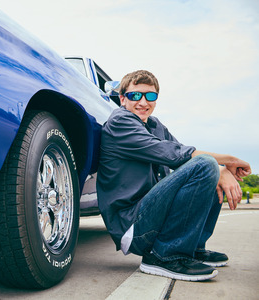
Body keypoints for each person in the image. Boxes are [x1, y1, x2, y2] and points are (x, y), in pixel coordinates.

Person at [97, 70, 251, 281]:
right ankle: (166, 255)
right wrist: (228, 161)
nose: (143, 102)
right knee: (207, 165)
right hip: (131, 225)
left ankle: (191, 247)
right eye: (135, 95)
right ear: (122, 98)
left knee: (210, 172)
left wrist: (221, 171)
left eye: (150, 96)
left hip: (150, 215)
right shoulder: (119, 123)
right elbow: (177, 155)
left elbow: (184, 155)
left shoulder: (155, 125)